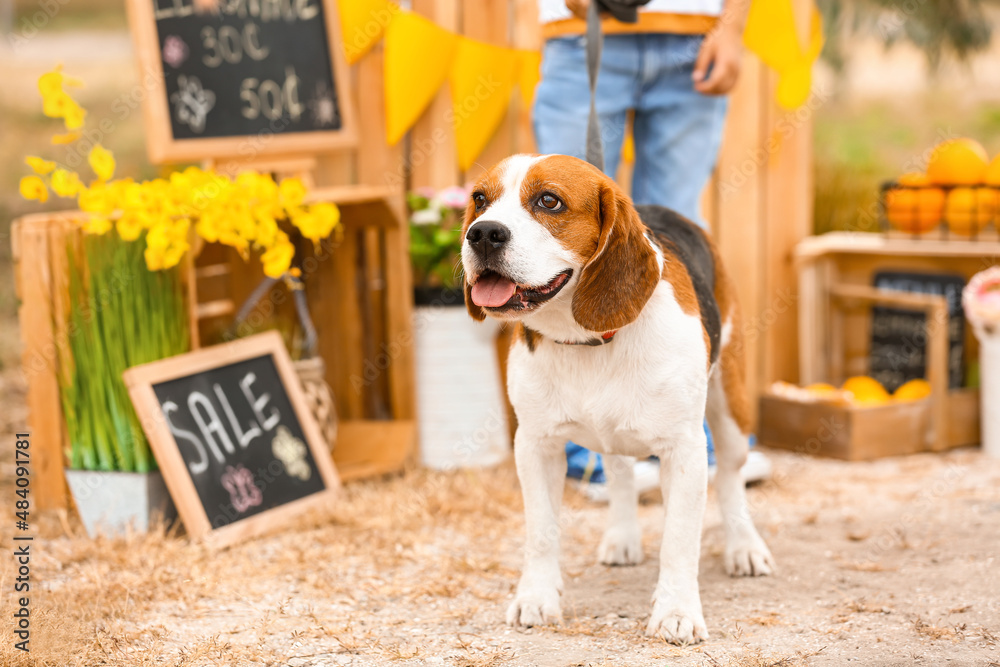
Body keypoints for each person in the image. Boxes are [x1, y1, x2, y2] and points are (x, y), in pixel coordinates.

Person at [533, 0, 771, 498]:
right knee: (556, 238)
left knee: (677, 232)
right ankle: (585, 447)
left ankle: (686, 433)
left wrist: (733, 26)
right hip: (581, 30)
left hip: (696, 35)